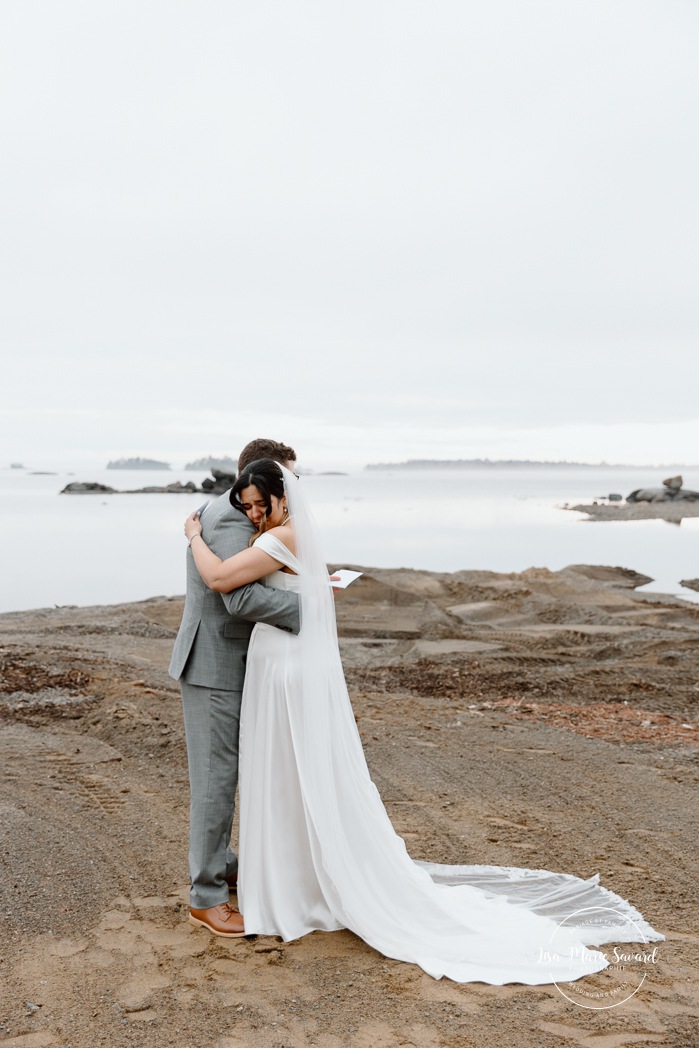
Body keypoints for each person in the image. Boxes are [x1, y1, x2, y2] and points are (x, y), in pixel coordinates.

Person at [183, 459, 663, 983]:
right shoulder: (277, 531)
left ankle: (278, 881)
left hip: (285, 662)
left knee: (284, 769)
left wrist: (191, 537)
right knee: (282, 770)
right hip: (279, 660)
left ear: (282, 497)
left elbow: (222, 579)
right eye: (248, 505)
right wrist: (312, 593)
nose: (254, 514)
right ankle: (278, 873)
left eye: (262, 504)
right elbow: (267, 588)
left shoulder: (277, 535)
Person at [169, 439, 300, 938]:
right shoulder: (227, 520)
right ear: (259, 478)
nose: (290, 494)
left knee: (224, 771)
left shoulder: (247, 515)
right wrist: (307, 610)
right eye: (285, 482)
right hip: (212, 666)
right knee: (215, 780)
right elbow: (239, 598)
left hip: (233, 664)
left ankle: (224, 864)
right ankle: (206, 898)